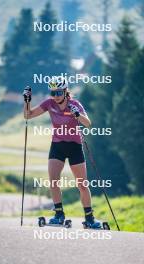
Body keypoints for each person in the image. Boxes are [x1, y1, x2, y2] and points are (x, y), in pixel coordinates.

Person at [23, 77, 101, 228]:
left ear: (65, 91)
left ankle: (89, 218)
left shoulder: (74, 104)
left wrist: (77, 115)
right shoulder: (49, 103)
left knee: (82, 184)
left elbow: (88, 123)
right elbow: (28, 115)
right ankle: (59, 215)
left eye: (59, 92)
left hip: (74, 146)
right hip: (57, 145)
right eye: (53, 92)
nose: (56, 95)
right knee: (53, 181)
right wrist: (27, 100)